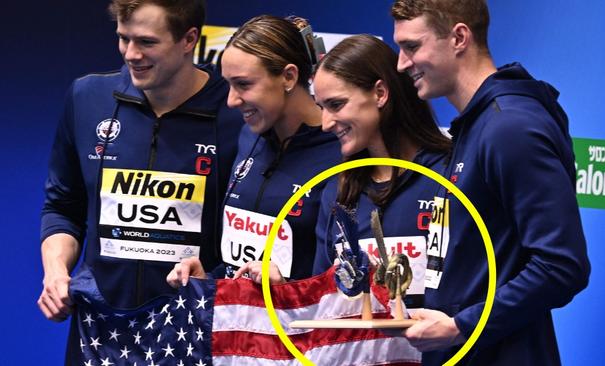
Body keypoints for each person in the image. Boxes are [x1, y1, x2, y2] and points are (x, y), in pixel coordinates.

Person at [37, 0, 242, 362]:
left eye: (147, 42)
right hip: (100, 330)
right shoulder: (87, 98)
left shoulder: (235, 112)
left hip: (191, 332)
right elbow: (63, 207)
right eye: (123, 38)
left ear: (189, 39)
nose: (131, 54)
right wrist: (55, 272)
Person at [390, 0, 591, 364]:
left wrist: (461, 326)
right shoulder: (478, 125)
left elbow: (562, 267)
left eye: (412, 47)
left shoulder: (510, 127)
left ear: (459, 38)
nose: (402, 63)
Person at [167, 15, 341, 287]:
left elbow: (345, 288)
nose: (231, 100)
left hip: (295, 327)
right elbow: (241, 257)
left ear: (288, 76)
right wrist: (209, 278)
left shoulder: (341, 152)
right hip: (237, 324)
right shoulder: (249, 135)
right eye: (228, 84)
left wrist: (286, 286)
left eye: (244, 85)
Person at [310, 34, 451, 310]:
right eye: (321, 108)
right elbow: (324, 300)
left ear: (380, 93)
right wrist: (281, 287)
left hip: (443, 353)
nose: (325, 123)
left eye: (336, 105)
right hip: (362, 353)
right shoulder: (337, 190)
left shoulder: (449, 176)